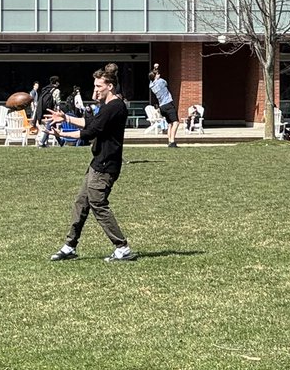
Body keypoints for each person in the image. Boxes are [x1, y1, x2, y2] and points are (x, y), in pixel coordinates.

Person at [48, 63, 136, 263]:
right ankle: (70, 246)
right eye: (95, 86)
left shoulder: (115, 107)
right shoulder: (107, 106)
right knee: (81, 203)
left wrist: (63, 134)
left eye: (99, 87)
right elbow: (92, 124)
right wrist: (66, 117)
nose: (95, 90)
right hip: (97, 163)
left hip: (106, 165)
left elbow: (90, 133)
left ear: (110, 86)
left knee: (98, 204)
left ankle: (122, 247)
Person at [148, 64, 180, 148]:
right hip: (168, 104)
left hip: (162, 106)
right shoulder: (161, 81)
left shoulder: (151, 85)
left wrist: (155, 69)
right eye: (157, 74)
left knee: (170, 124)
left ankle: (169, 141)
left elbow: (152, 79)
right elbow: (166, 83)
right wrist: (156, 72)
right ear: (155, 76)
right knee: (176, 122)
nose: (159, 75)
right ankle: (172, 141)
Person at [34, 76, 63, 147]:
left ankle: (60, 142)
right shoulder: (56, 90)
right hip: (52, 111)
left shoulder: (45, 89)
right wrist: (59, 110)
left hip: (44, 110)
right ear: (56, 82)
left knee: (52, 126)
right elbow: (58, 102)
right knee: (49, 126)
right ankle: (41, 142)